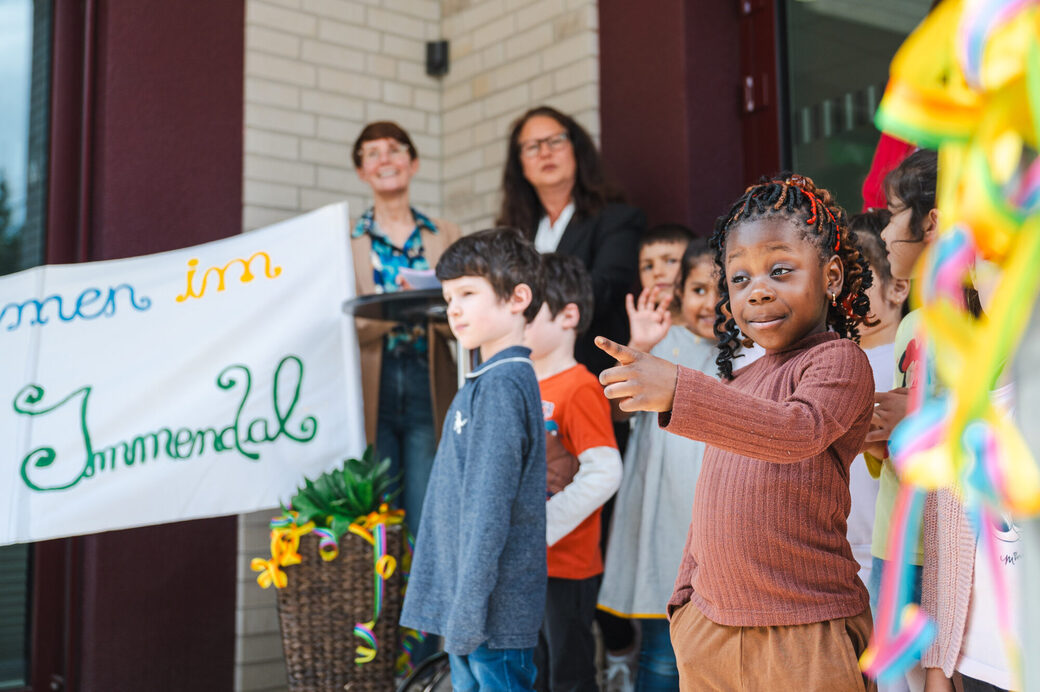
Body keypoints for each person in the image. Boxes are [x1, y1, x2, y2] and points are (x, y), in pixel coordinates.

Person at [596, 174, 877, 691]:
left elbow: (796, 431)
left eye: (780, 270)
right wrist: (686, 602)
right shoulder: (740, 380)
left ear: (832, 275)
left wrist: (682, 390)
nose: (759, 289)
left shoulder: (837, 360)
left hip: (804, 631)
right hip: (713, 630)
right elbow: (711, 500)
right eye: (740, 279)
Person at [400, 228, 546, 692]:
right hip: (476, 614)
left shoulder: (503, 386)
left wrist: (465, 614)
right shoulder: (486, 380)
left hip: (490, 619)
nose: (454, 308)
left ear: (517, 297)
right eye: (447, 297)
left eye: (467, 292)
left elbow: (488, 510)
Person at [598, 236, 719, 692]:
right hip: (664, 513)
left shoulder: (749, 349)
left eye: (722, 289)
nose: (711, 303)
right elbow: (618, 410)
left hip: (717, 515)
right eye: (699, 291)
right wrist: (639, 346)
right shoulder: (663, 341)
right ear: (679, 294)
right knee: (663, 653)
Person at [350, 121, 461, 538]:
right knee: (376, 512)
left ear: (412, 163)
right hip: (370, 380)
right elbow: (340, 322)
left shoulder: (445, 234)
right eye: (372, 153)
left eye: (395, 149)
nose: (385, 159)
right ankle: (382, 604)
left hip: (427, 377)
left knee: (426, 510)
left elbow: (468, 312)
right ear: (362, 171)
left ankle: (420, 604)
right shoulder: (345, 240)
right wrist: (402, 308)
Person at [525, 253, 623, 692]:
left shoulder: (580, 386)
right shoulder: (520, 382)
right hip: (526, 563)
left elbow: (604, 471)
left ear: (568, 315)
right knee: (534, 672)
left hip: (567, 566)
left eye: (527, 312)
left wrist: (543, 526)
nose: (516, 321)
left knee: (569, 674)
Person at [497, 105, 644, 377]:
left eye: (555, 141)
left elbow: (603, 287)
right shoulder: (512, 233)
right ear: (521, 166)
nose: (545, 152)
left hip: (593, 372)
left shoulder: (617, 218)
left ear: (576, 150)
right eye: (532, 147)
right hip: (524, 373)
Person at [845, 210, 910, 600]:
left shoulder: (906, 361)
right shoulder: (831, 361)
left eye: (859, 280)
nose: (844, 295)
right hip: (841, 552)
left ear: (897, 287)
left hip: (886, 553)